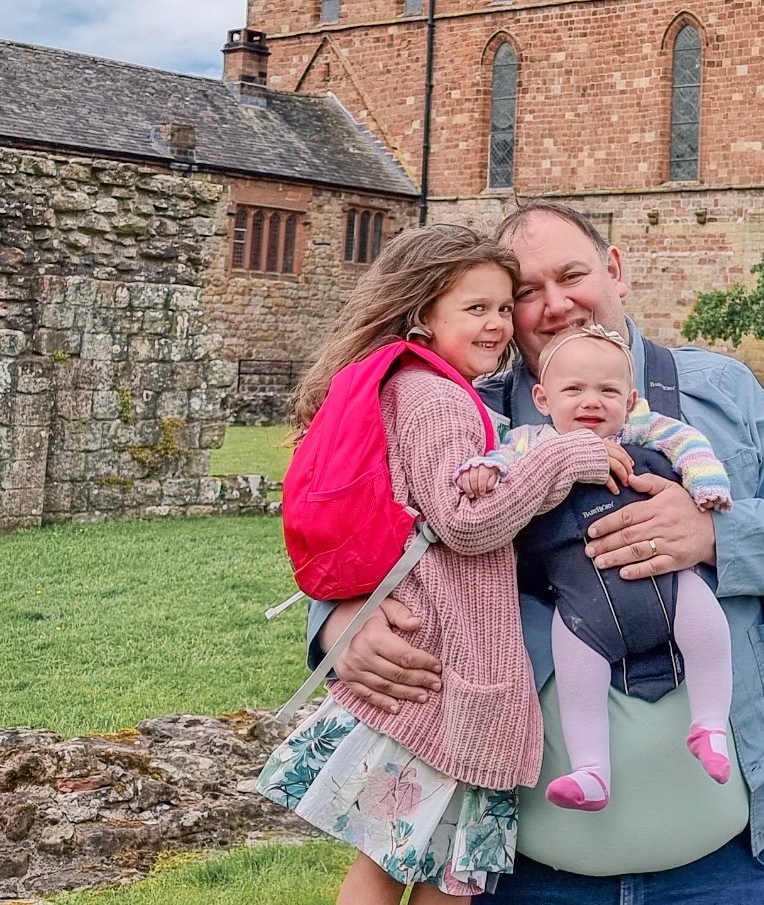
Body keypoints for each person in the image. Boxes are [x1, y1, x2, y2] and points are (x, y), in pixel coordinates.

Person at [312, 200, 764, 904]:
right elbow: (350, 527)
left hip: (723, 870)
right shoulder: (465, 411)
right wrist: (339, 620)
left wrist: (715, 535)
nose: (554, 304)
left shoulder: (721, 390)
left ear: (616, 270)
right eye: (525, 293)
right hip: (523, 875)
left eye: (570, 274)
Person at [258, 226, 621, 905]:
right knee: (412, 870)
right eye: (474, 307)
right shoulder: (435, 395)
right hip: (450, 673)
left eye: (501, 308)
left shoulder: (419, 385)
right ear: (424, 312)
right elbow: (465, 519)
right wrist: (569, 454)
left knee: (431, 868)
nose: (496, 324)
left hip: (445, 664)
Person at [458, 320, 736, 809]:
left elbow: (690, 444)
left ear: (630, 402)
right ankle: (591, 771)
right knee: (576, 675)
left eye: (608, 390)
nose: (591, 401)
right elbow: (500, 461)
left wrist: (706, 484)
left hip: (668, 586)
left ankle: (710, 724)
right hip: (581, 608)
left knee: (708, 627)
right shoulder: (530, 441)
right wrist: (485, 469)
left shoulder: (644, 431)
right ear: (544, 400)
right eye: (574, 389)